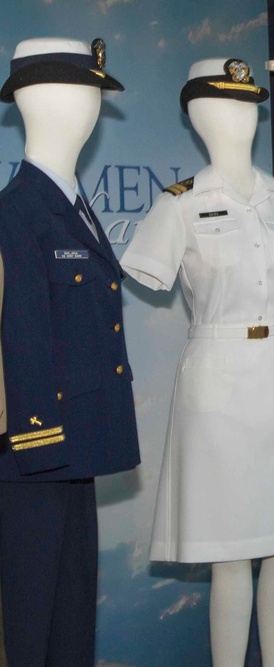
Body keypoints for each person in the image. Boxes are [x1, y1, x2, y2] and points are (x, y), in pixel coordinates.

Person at [120, 59, 274, 667]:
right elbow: (152, 269)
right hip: (217, 379)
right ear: (197, 115)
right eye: (225, 104)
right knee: (229, 551)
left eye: (248, 103)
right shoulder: (180, 206)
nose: (240, 116)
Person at [0, 37, 140, 665]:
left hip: (74, 449)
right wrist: (38, 441)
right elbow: (21, 335)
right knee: (31, 626)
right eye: (87, 92)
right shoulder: (18, 212)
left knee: (70, 622)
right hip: (36, 454)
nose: (93, 108)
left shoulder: (68, 204)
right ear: (45, 100)